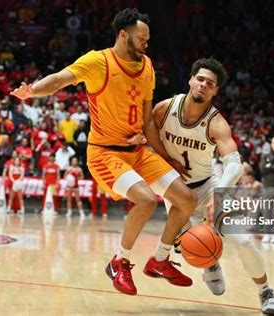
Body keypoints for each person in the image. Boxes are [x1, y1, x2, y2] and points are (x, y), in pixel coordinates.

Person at [11, 8, 197, 296]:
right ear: (124, 35)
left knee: (187, 199)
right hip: (105, 153)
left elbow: (147, 120)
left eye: (147, 38)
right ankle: (119, 262)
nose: (147, 44)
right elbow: (60, 79)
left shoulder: (146, 65)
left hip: (138, 150)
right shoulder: (98, 61)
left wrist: (165, 155)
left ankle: (159, 260)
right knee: (146, 201)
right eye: (141, 38)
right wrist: (32, 90)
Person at [131, 58, 274, 314]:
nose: (203, 85)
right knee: (196, 243)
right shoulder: (165, 108)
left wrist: (219, 194)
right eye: (200, 79)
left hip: (208, 186)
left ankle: (266, 292)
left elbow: (235, 164)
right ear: (191, 80)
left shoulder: (216, 123)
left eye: (210, 83)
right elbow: (145, 132)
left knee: (243, 241)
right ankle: (210, 264)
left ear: (215, 91)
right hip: (175, 190)